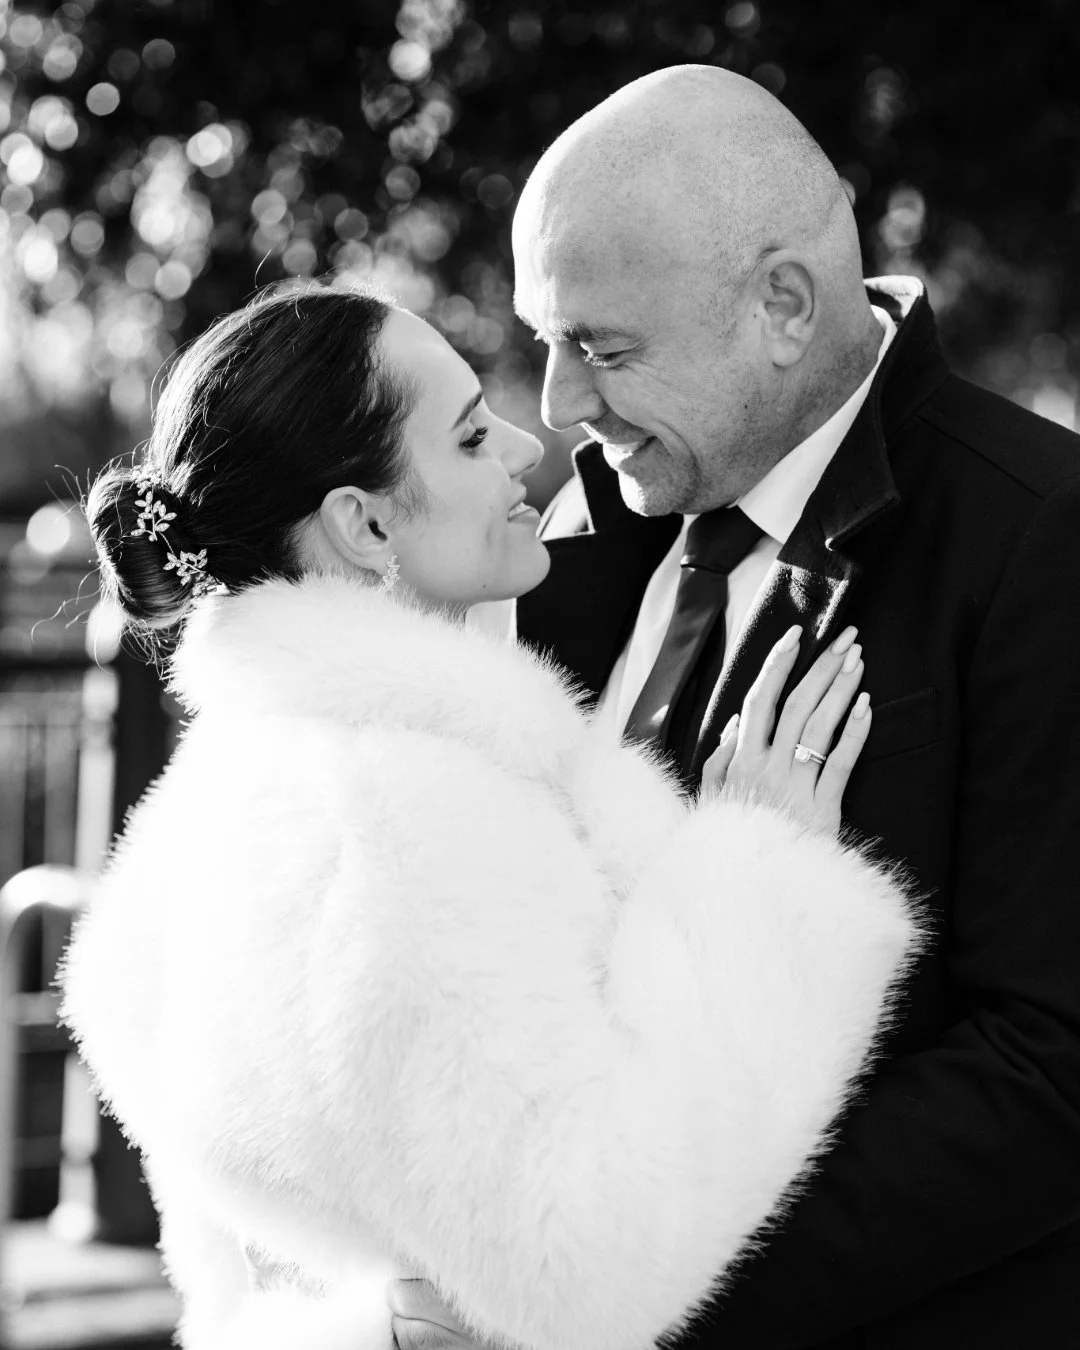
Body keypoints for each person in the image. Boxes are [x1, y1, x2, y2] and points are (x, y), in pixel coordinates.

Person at [60, 283, 919, 1350]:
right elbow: (584, 1254)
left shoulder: (246, 784)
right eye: (470, 437)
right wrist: (759, 881)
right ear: (364, 522)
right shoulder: (398, 826)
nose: (524, 444)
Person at [390, 64, 1080, 1350]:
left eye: (603, 346)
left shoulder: (1040, 533)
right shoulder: (572, 532)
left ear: (781, 305)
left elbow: (1048, 1068)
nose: (560, 408)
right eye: (547, 340)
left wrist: (624, 1300)